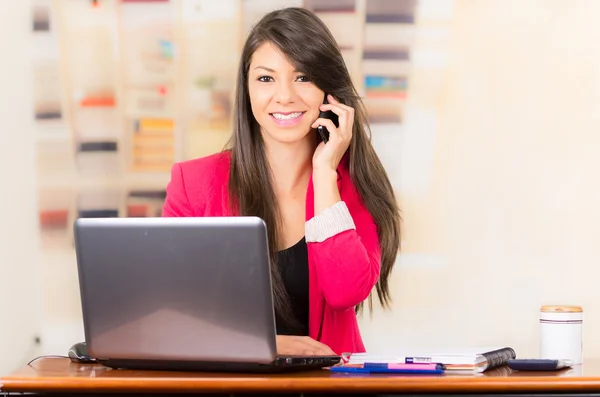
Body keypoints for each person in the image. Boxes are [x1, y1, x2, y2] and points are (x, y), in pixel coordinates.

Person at [162, 7, 401, 356]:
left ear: (328, 91)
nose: (285, 95)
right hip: (226, 388)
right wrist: (267, 345)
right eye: (265, 78)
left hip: (329, 387)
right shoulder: (193, 184)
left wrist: (324, 174)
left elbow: (345, 291)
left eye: (303, 77)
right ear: (247, 89)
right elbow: (171, 316)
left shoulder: (354, 186)